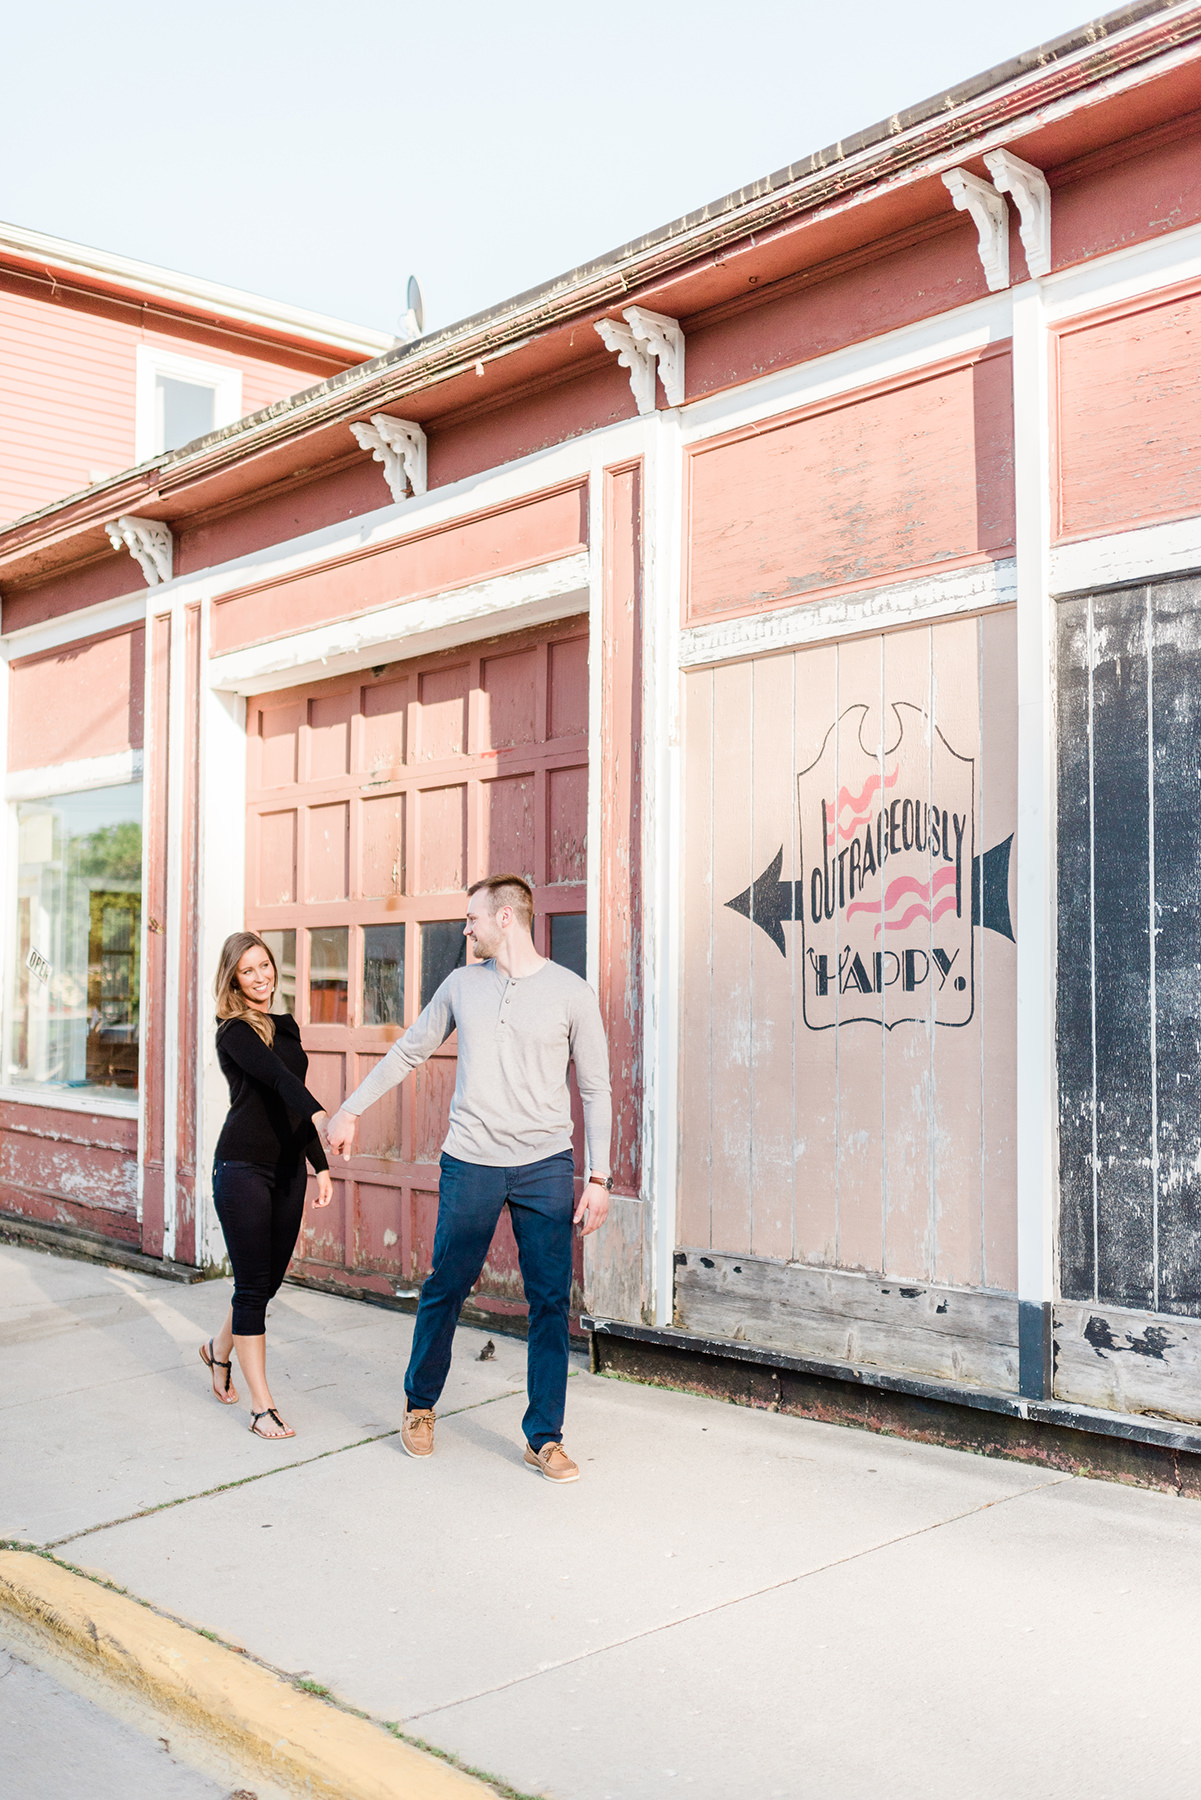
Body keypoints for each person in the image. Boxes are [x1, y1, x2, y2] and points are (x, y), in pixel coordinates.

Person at [325, 875, 611, 1482]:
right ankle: (420, 1406)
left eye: (472, 918)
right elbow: (408, 1051)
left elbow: (595, 1088)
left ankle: (545, 1437)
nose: (465, 928)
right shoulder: (461, 985)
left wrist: (600, 1176)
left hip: (545, 1166)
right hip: (472, 1161)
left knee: (549, 1302)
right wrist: (351, 1107)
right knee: (445, 1286)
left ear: (505, 918)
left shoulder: (572, 994)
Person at [201, 931, 332, 1439]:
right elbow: (280, 1082)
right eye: (248, 971)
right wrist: (321, 1115)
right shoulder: (233, 1030)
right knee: (252, 1288)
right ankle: (262, 1407)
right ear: (233, 979)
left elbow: (291, 1100)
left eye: (265, 966)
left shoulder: (286, 1023)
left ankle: (217, 1348)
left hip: (287, 1173)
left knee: (267, 1285)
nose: (260, 977)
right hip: (242, 1170)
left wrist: (320, 1166)